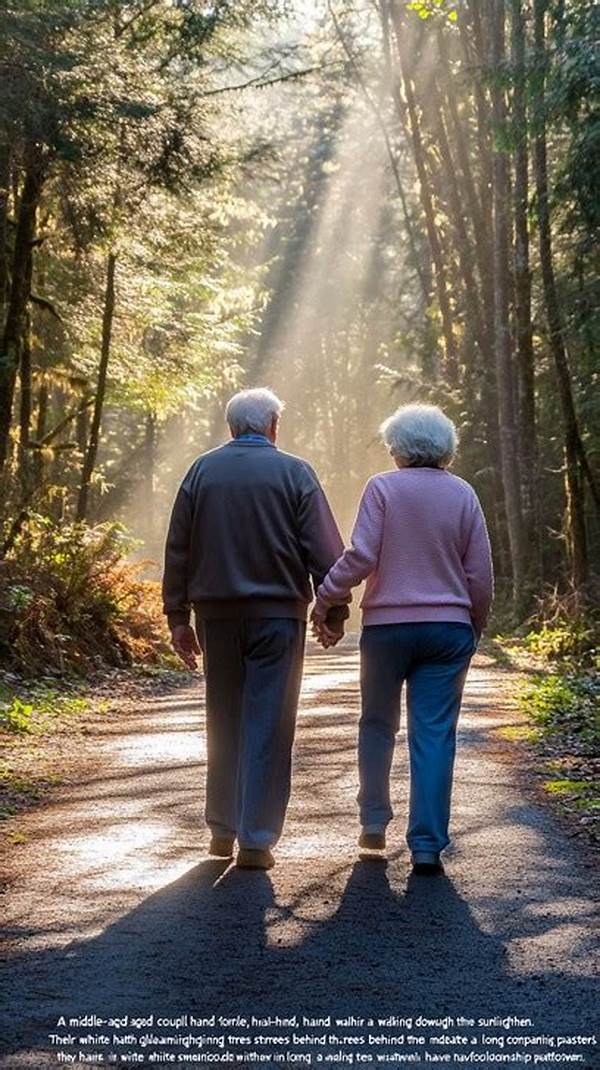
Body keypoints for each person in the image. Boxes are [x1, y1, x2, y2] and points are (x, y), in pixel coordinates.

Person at [162, 387, 348, 870]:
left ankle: (221, 832)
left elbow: (178, 548)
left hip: (215, 616)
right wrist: (334, 609)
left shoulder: (201, 471)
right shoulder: (295, 473)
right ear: (272, 427)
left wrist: (178, 618)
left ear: (231, 428)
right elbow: (325, 551)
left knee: (223, 720)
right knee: (269, 722)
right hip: (277, 617)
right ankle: (257, 839)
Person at [311, 403, 493, 875]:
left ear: (397, 449)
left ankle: (373, 823)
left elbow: (362, 554)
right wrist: (475, 624)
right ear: (445, 448)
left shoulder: (383, 488)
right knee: (433, 735)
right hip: (448, 629)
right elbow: (479, 574)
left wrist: (326, 595)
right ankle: (428, 845)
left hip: (387, 629)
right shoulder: (463, 494)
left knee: (376, 723)